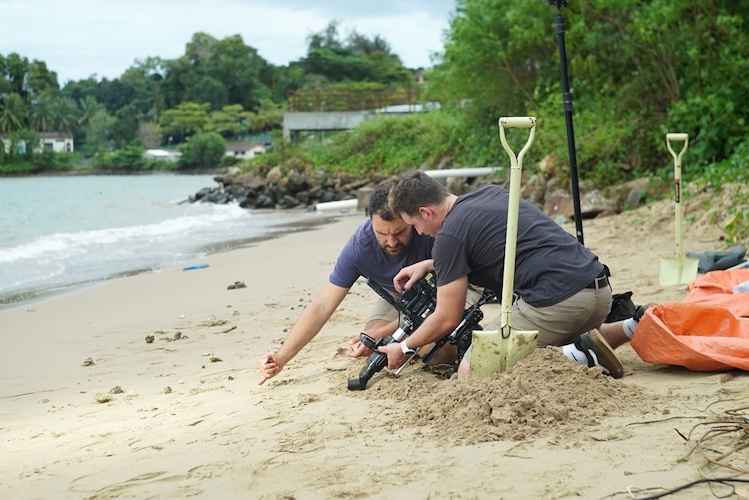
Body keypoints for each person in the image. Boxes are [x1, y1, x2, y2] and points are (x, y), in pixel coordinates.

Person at [380, 170, 646, 379]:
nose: (418, 232)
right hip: (598, 294)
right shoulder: (490, 193)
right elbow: (501, 245)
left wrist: (405, 347)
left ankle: (580, 355)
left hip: (559, 305)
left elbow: (447, 318)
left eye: (414, 224)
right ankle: (630, 326)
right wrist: (431, 263)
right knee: (553, 337)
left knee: (473, 371)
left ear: (426, 212)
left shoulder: (448, 237)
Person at [258, 183, 459, 385]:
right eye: (382, 233)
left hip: (448, 287)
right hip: (398, 297)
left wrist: (389, 333)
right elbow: (322, 306)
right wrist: (282, 356)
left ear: (410, 219)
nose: (391, 242)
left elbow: (440, 307)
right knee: (373, 343)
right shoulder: (359, 248)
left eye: (399, 232)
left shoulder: (429, 231)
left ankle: (410, 347)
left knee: (438, 353)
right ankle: (406, 346)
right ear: (370, 222)